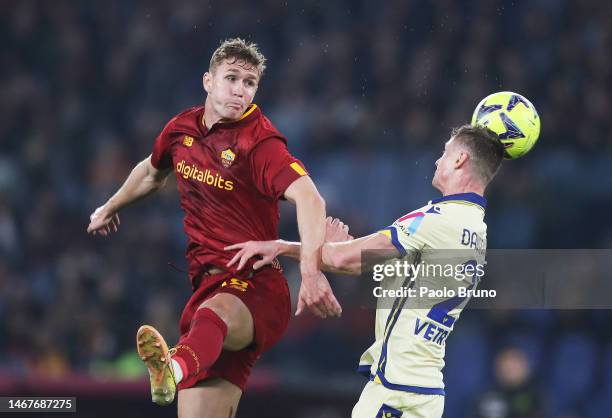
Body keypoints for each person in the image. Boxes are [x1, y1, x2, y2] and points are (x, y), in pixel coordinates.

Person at [86, 38, 342, 418]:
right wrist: (110, 206)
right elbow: (151, 173)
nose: (240, 90)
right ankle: (178, 366)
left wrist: (310, 272)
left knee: (213, 315)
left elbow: (311, 199)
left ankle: (171, 367)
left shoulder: (259, 143)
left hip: (256, 287)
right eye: (231, 78)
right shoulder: (181, 129)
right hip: (207, 288)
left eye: (249, 83)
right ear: (208, 81)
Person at [226, 124, 504, 418]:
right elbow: (387, 277)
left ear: (460, 159)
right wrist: (340, 252)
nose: (438, 160)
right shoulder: (476, 230)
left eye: (445, 153)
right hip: (424, 389)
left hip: (397, 391)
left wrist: (282, 246)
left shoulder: (434, 220)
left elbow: (346, 260)